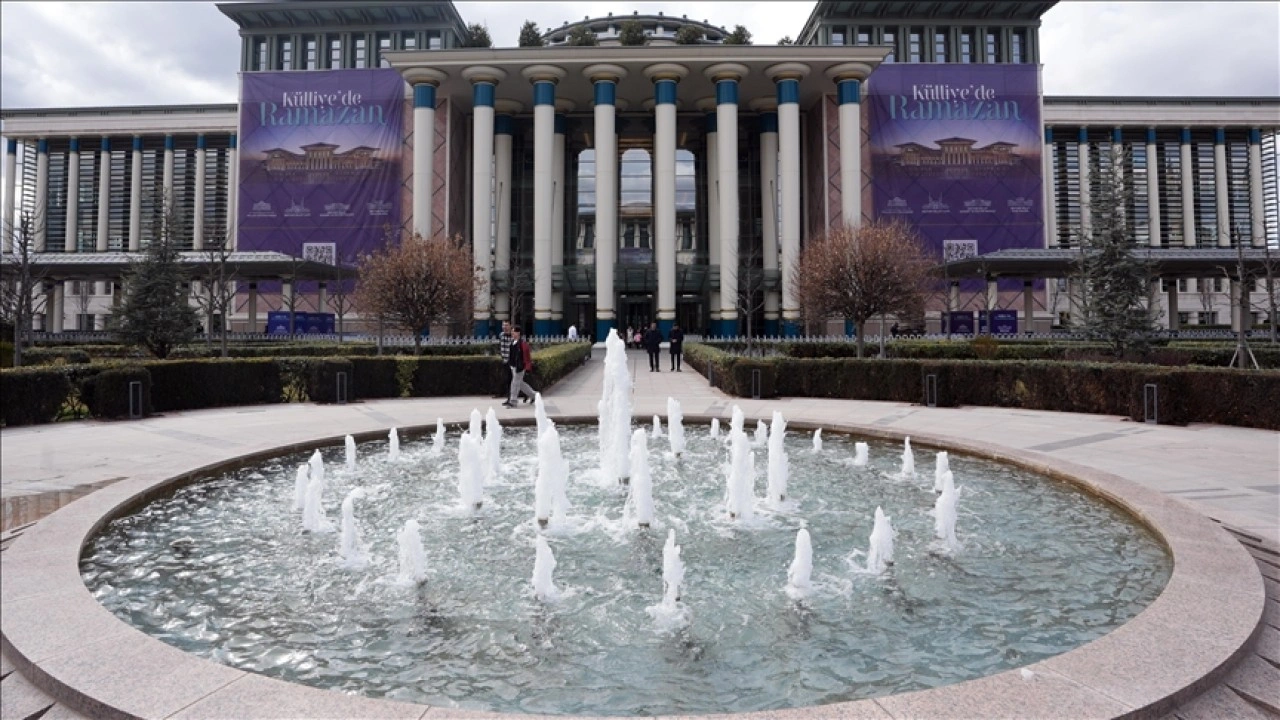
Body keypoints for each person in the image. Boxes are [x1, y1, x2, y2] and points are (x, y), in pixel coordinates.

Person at [504, 325, 536, 408]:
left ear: (518, 333)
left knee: (514, 383)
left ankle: (513, 401)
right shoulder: (512, 342)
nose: (512, 333)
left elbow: (527, 357)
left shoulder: (523, 344)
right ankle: (534, 395)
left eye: (513, 331)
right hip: (513, 366)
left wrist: (527, 367)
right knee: (520, 384)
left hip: (519, 367)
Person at [494, 320, 513, 398]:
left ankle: (510, 395)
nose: (504, 327)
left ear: (510, 326)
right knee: (505, 378)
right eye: (503, 325)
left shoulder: (513, 336)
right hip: (504, 360)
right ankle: (504, 393)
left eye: (506, 325)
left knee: (511, 379)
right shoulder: (501, 335)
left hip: (511, 360)